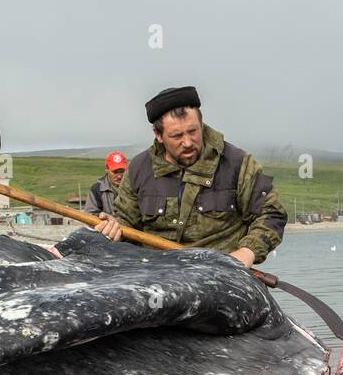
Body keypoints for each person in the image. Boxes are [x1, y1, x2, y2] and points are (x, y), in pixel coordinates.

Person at [112, 86, 286, 265]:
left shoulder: (238, 163)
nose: (187, 142)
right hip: (158, 277)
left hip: (222, 276)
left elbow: (272, 213)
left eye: (193, 131)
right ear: (159, 135)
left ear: (201, 124)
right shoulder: (137, 169)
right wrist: (114, 227)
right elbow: (125, 224)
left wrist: (246, 253)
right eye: (177, 135)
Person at [86, 150, 127, 216]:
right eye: (115, 172)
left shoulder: (135, 186)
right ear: (107, 169)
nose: (119, 176)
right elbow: (90, 216)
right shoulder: (97, 189)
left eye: (122, 171)